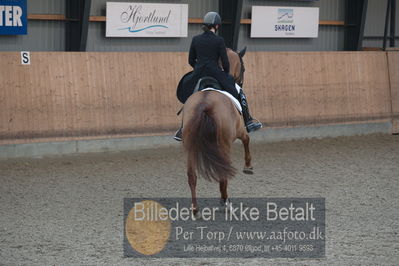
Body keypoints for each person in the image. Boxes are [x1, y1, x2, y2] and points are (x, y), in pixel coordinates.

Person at [174, 11, 262, 141]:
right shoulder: (219, 40)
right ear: (216, 26)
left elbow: (191, 60)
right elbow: (225, 62)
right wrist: (225, 73)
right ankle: (248, 121)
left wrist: (197, 69)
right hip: (216, 72)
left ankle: (182, 129)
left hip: (198, 73)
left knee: (189, 97)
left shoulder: (196, 39)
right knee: (239, 91)